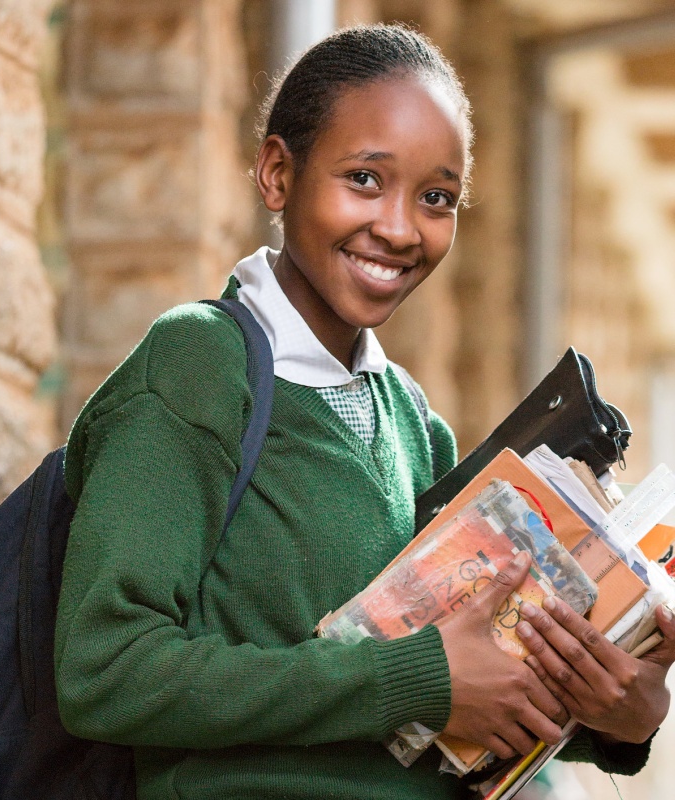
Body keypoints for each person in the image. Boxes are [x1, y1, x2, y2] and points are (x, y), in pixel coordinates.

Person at [54, 23, 675, 800]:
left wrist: (618, 715)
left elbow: (449, 702)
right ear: (277, 174)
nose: (400, 228)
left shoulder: (411, 419)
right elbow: (104, 670)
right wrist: (413, 679)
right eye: (365, 180)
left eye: (436, 197)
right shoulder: (200, 366)